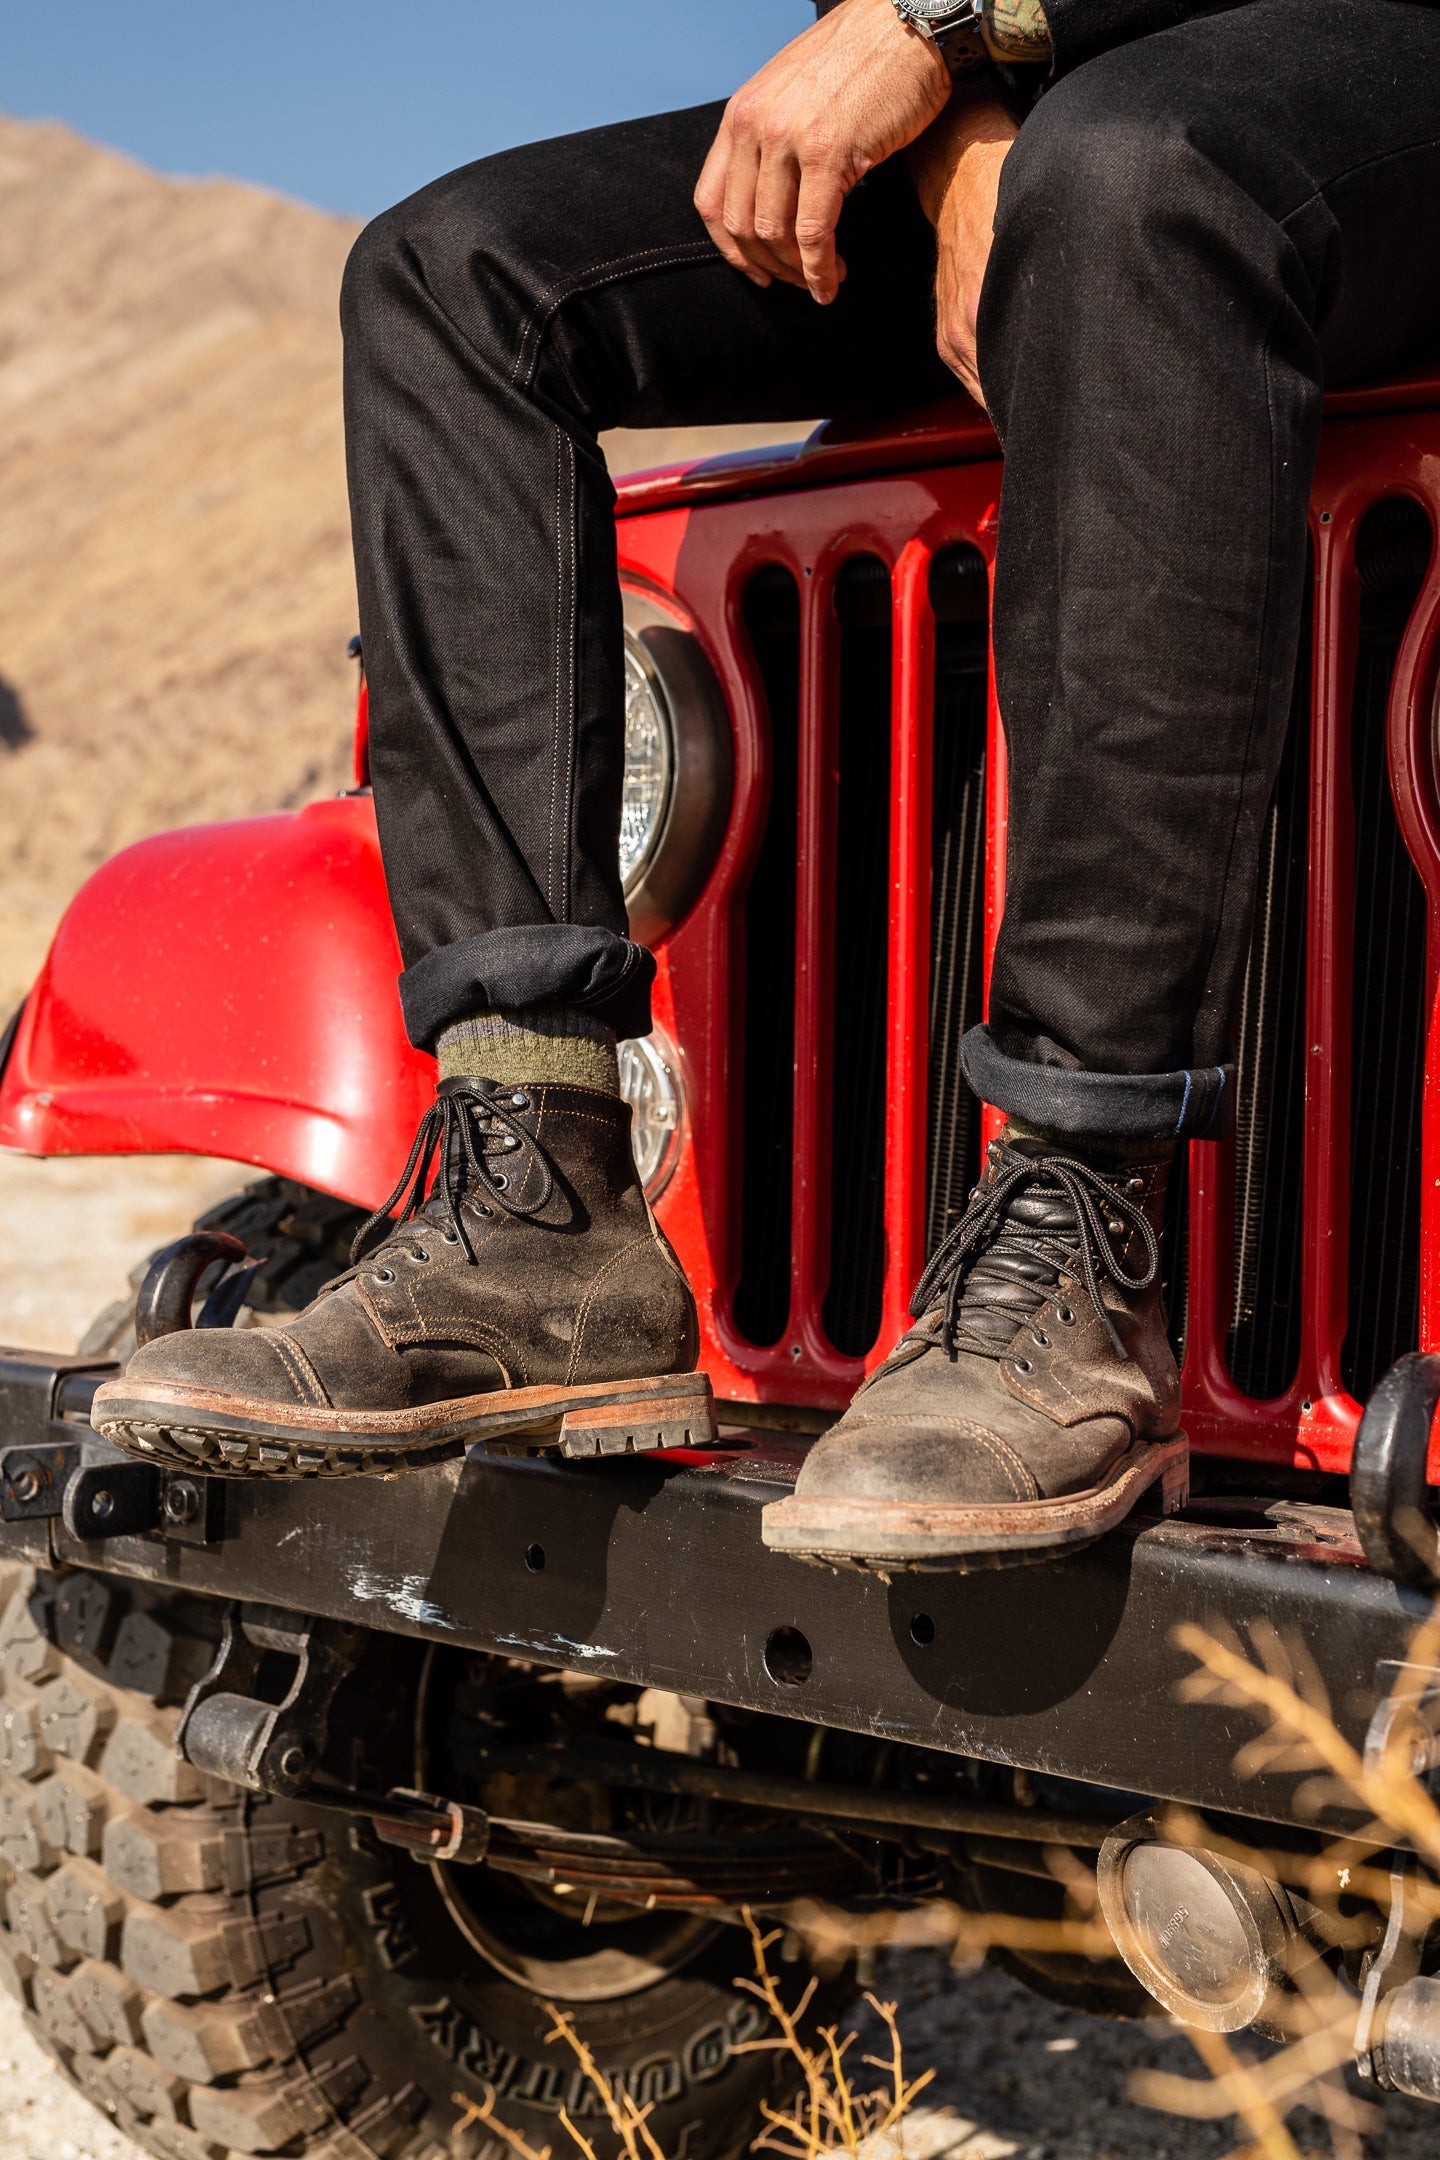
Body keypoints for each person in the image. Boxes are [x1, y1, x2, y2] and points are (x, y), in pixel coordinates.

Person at [94, 0, 1440, 1568]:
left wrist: (955, 25)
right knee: (451, 272)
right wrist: (959, 146)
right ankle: (537, 1204)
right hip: (1034, 129)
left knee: (1141, 172)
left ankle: (1082, 1226)